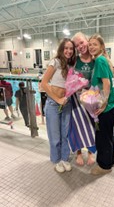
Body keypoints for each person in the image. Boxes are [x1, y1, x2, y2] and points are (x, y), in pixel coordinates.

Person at [70, 32, 114, 166]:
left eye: (82, 42)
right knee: (77, 126)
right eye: (77, 45)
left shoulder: (97, 59)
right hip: (79, 100)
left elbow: (106, 79)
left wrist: (113, 71)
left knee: (93, 127)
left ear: (87, 41)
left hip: (95, 101)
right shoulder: (75, 61)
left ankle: (91, 153)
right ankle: (79, 153)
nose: (81, 46)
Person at [41, 38, 76, 173]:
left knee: (65, 134)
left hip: (66, 104)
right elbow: (44, 84)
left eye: (71, 49)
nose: (68, 51)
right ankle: (56, 160)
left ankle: (64, 158)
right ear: (61, 49)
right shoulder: (54, 62)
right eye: (66, 48)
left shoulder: (71, 65)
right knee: (55, 136)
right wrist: (57, 99)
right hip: (53, 104)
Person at [88, 34, 114, 175]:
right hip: (112, 108)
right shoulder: (105, 60)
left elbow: (107, 84)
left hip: (106, 109)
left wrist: (103, 104)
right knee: (108, 136)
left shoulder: (99, 60)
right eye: (90, 44)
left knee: (102, 138)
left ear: (101, 46)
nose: (91, 47)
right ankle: (110, 160)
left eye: (95, 44)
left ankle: (104, 166)